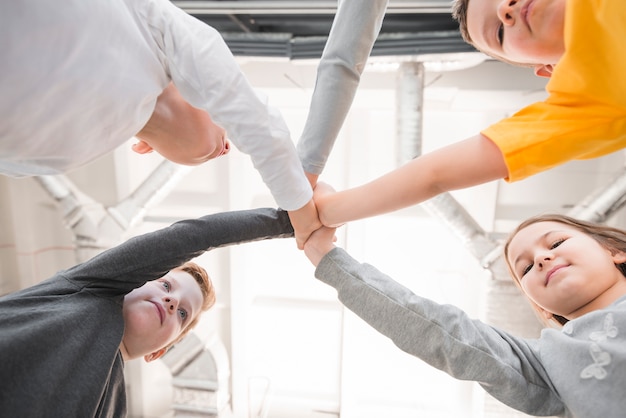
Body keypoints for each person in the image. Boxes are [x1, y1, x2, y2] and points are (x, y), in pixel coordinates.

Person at [0, 1, 319, 247]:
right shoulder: (152, 29)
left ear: (144, 147)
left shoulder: (66, 158)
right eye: (225, 125)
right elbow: (246, 112)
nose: (227, 147)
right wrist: (301, 209)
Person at [298, 0, 625, 228]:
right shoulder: (585, 103)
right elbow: (433, 175)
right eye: (498, 33)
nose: (505, 9)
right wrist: (323, 210)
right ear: (547, 70)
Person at [303, 201, 626, 417]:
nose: (541, 259)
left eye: (555, 243)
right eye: (525, 269)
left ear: (613, 250)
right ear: (541, 306)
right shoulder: (548, 362)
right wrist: (327, 257)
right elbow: (443, 332)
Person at [0, 207, 295, 416]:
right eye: (166, 285)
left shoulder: (116, 410)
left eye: (182, 314)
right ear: (133, 281)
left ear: (159, 352)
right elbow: (192, 237)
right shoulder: (90, 287)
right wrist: (289, 220)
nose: (172, 302)